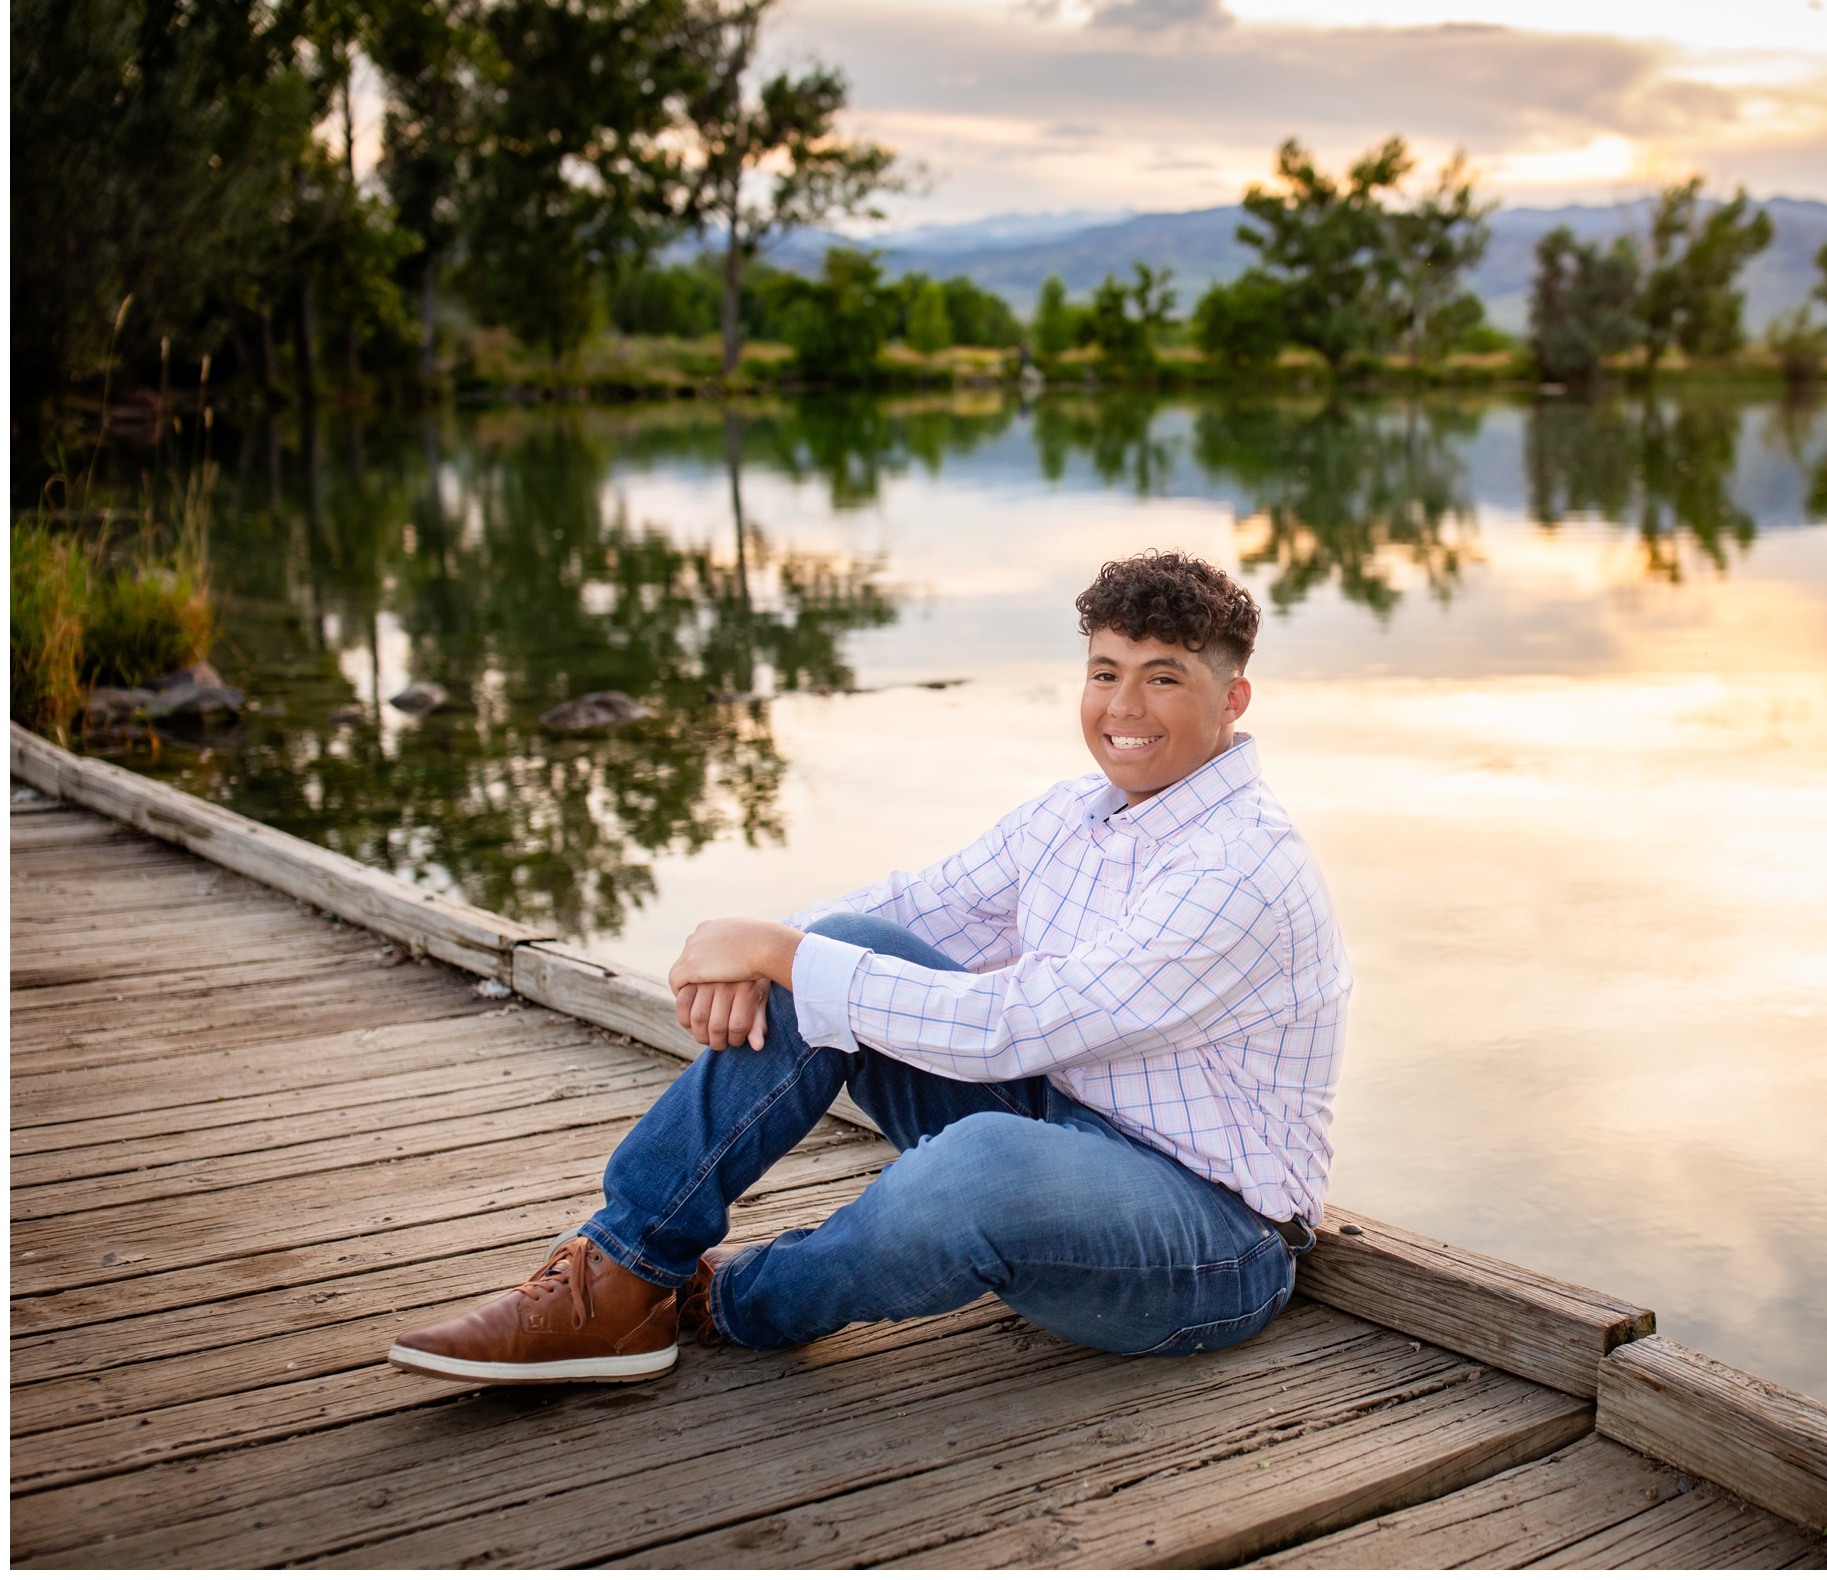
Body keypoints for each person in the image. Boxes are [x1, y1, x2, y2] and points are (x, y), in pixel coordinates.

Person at [388, 550, 1352, 1383]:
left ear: (1233, 698)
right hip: (1060, 1132)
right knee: (840, 950)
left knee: (976, 1160)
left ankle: (723, 1304)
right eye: (1106, 673)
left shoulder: (1243, 870)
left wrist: (777, 951)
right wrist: (746, 949)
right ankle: (624, 1266)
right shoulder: (1076, 814)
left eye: (1164, 678)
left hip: (1213, 1240)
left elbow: (1010, 1024)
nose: (1123, 707)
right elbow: (912, 908)